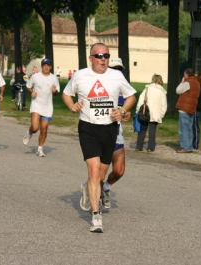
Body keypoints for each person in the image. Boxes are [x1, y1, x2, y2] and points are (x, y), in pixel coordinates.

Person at [62, 43, 136, 233]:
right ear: (91, 58)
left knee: (101, 176)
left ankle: (89, 188)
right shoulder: (81, 75)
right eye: (99, 55)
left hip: (110, 128)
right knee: (94, 171)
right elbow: (66, 94)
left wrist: (122, 110)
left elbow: (131, 97)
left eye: (106, 56)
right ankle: (96, 216)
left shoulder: (117, 76)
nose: (103, 59)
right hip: (88, 128)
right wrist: (72, 106)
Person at [100, 57, 131, 210]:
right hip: (101, 133)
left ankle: (106, 187)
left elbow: (125, 111)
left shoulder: (124, 93)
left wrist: (125, 114)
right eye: (114, 69)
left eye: (120, 69)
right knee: (98, 174)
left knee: (119, 171)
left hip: (117, 134)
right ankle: (92, 194)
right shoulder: (101, 88)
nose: (117, 72)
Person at [23, 58, 60, 157]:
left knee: (44, 129)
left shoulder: (54, 78)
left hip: (48, 107)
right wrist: (32, 92)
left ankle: (40, 149)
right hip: (36, 105)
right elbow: (28, 86)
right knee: (35, 128)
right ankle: (30, 132)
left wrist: (54, 91)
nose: (46, 67)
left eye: (48, 65)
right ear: (42, 66)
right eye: (44, 65)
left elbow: (57, 92)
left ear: (51, 67)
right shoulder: (35, 77)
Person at [135, 74, 167, 152]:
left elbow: (141, 101)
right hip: (156, 114)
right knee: (152, 131)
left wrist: (137, 111)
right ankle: (150, 147)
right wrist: (161, 114)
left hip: (145, 112)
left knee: (142, 130)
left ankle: (139, 146)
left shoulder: (147, 89)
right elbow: (164, 105)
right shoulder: (162, 92)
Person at [175, 68, 201, 153]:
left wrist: (182, 82)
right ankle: (189, 146)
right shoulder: (196, 83)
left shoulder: (187, 82)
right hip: (192, 108)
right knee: (189, 128)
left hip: (184, 108)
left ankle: (185, 147)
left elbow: (178, 90)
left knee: (183, 128)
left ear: (186, 74)